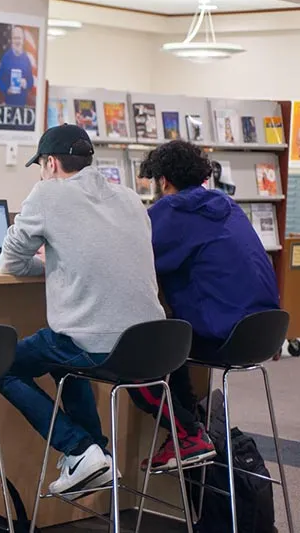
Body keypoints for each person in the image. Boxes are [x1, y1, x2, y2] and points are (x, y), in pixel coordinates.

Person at [0, 124, 166, 496]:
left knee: (3, 365)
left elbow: (10, 262)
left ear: (51, 163)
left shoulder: (47, 193)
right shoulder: (129, 197)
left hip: (94, 343)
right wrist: (65, 263)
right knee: (62, 357)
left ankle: (79, 448)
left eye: (40, 164)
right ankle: (96, 456)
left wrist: (52, 265)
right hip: (149, 345)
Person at [129, 140, 278, 471]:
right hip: (261, 331)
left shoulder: (172, 211)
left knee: (138, 356)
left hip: (224, 335)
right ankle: (192, 426)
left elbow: (131, 256)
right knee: (168, 338)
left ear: (163, 181)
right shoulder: (226, 205)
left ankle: (188, 434)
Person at [0, 26, 34, 107]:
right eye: (15, 38)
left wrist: (26, 83)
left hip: (22, 105)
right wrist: (6, 89)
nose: (17, 41)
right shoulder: (6, 57)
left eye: (19, 38)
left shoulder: (26, 59)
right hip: (8, 104)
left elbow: (31, 80)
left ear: (23, 41)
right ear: (12, 40)